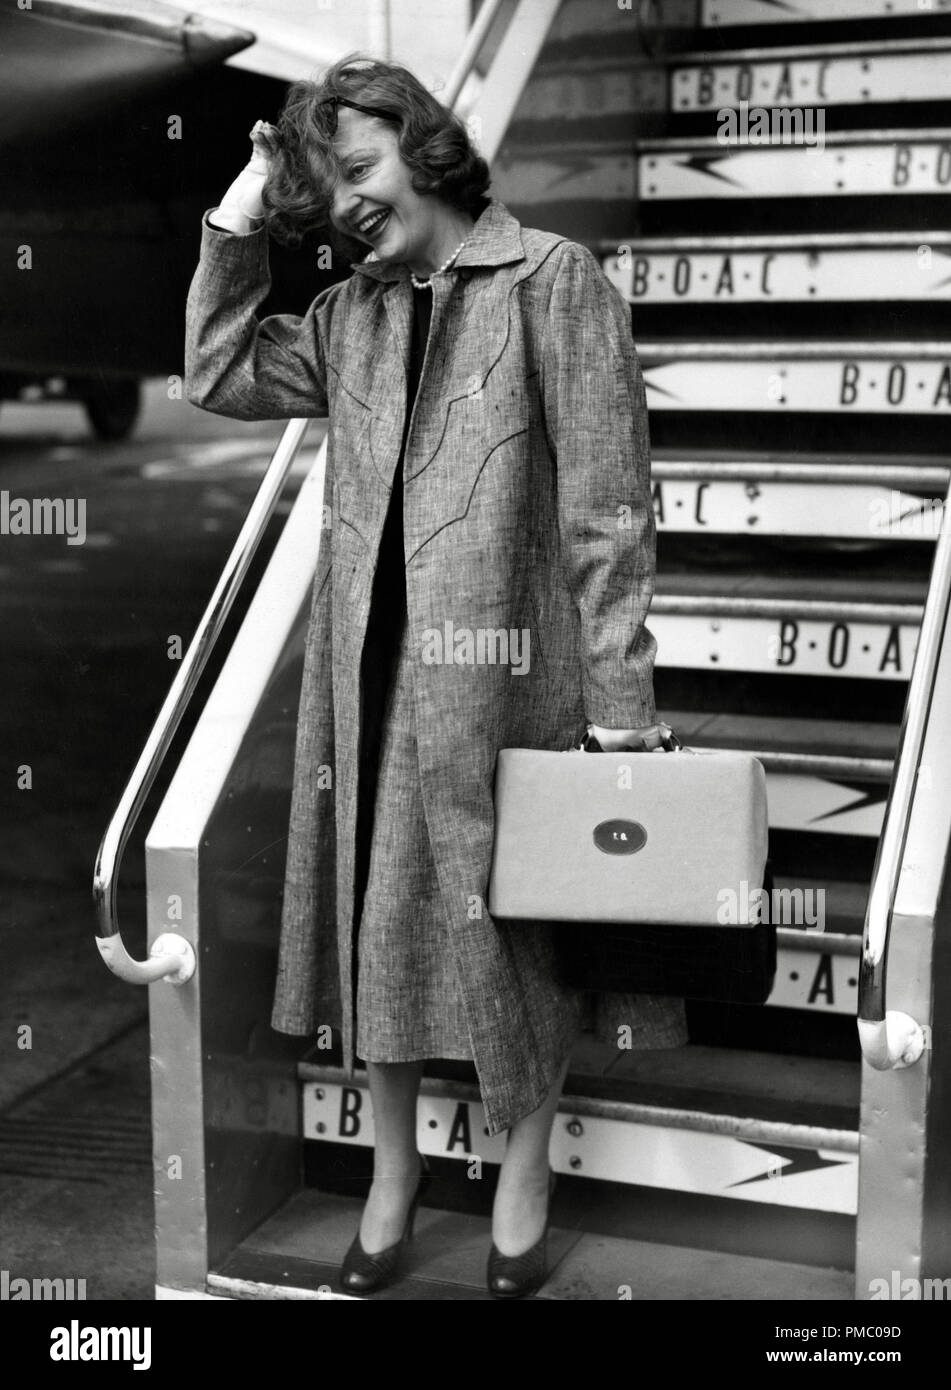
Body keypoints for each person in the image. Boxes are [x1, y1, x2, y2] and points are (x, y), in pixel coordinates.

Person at [185, 54, 686, 1300]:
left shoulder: (553, 282)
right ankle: (392, 1178)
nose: (348, 201)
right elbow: (214, 371)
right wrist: (249, 196)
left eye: (361, 168)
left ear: (426, 147)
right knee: (381, 937)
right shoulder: (349, 318)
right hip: (372, 689)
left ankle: (524, 1173)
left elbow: (607, 514)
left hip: (515, 688)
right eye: (327, 187)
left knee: (526, 942)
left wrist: (622, 713)